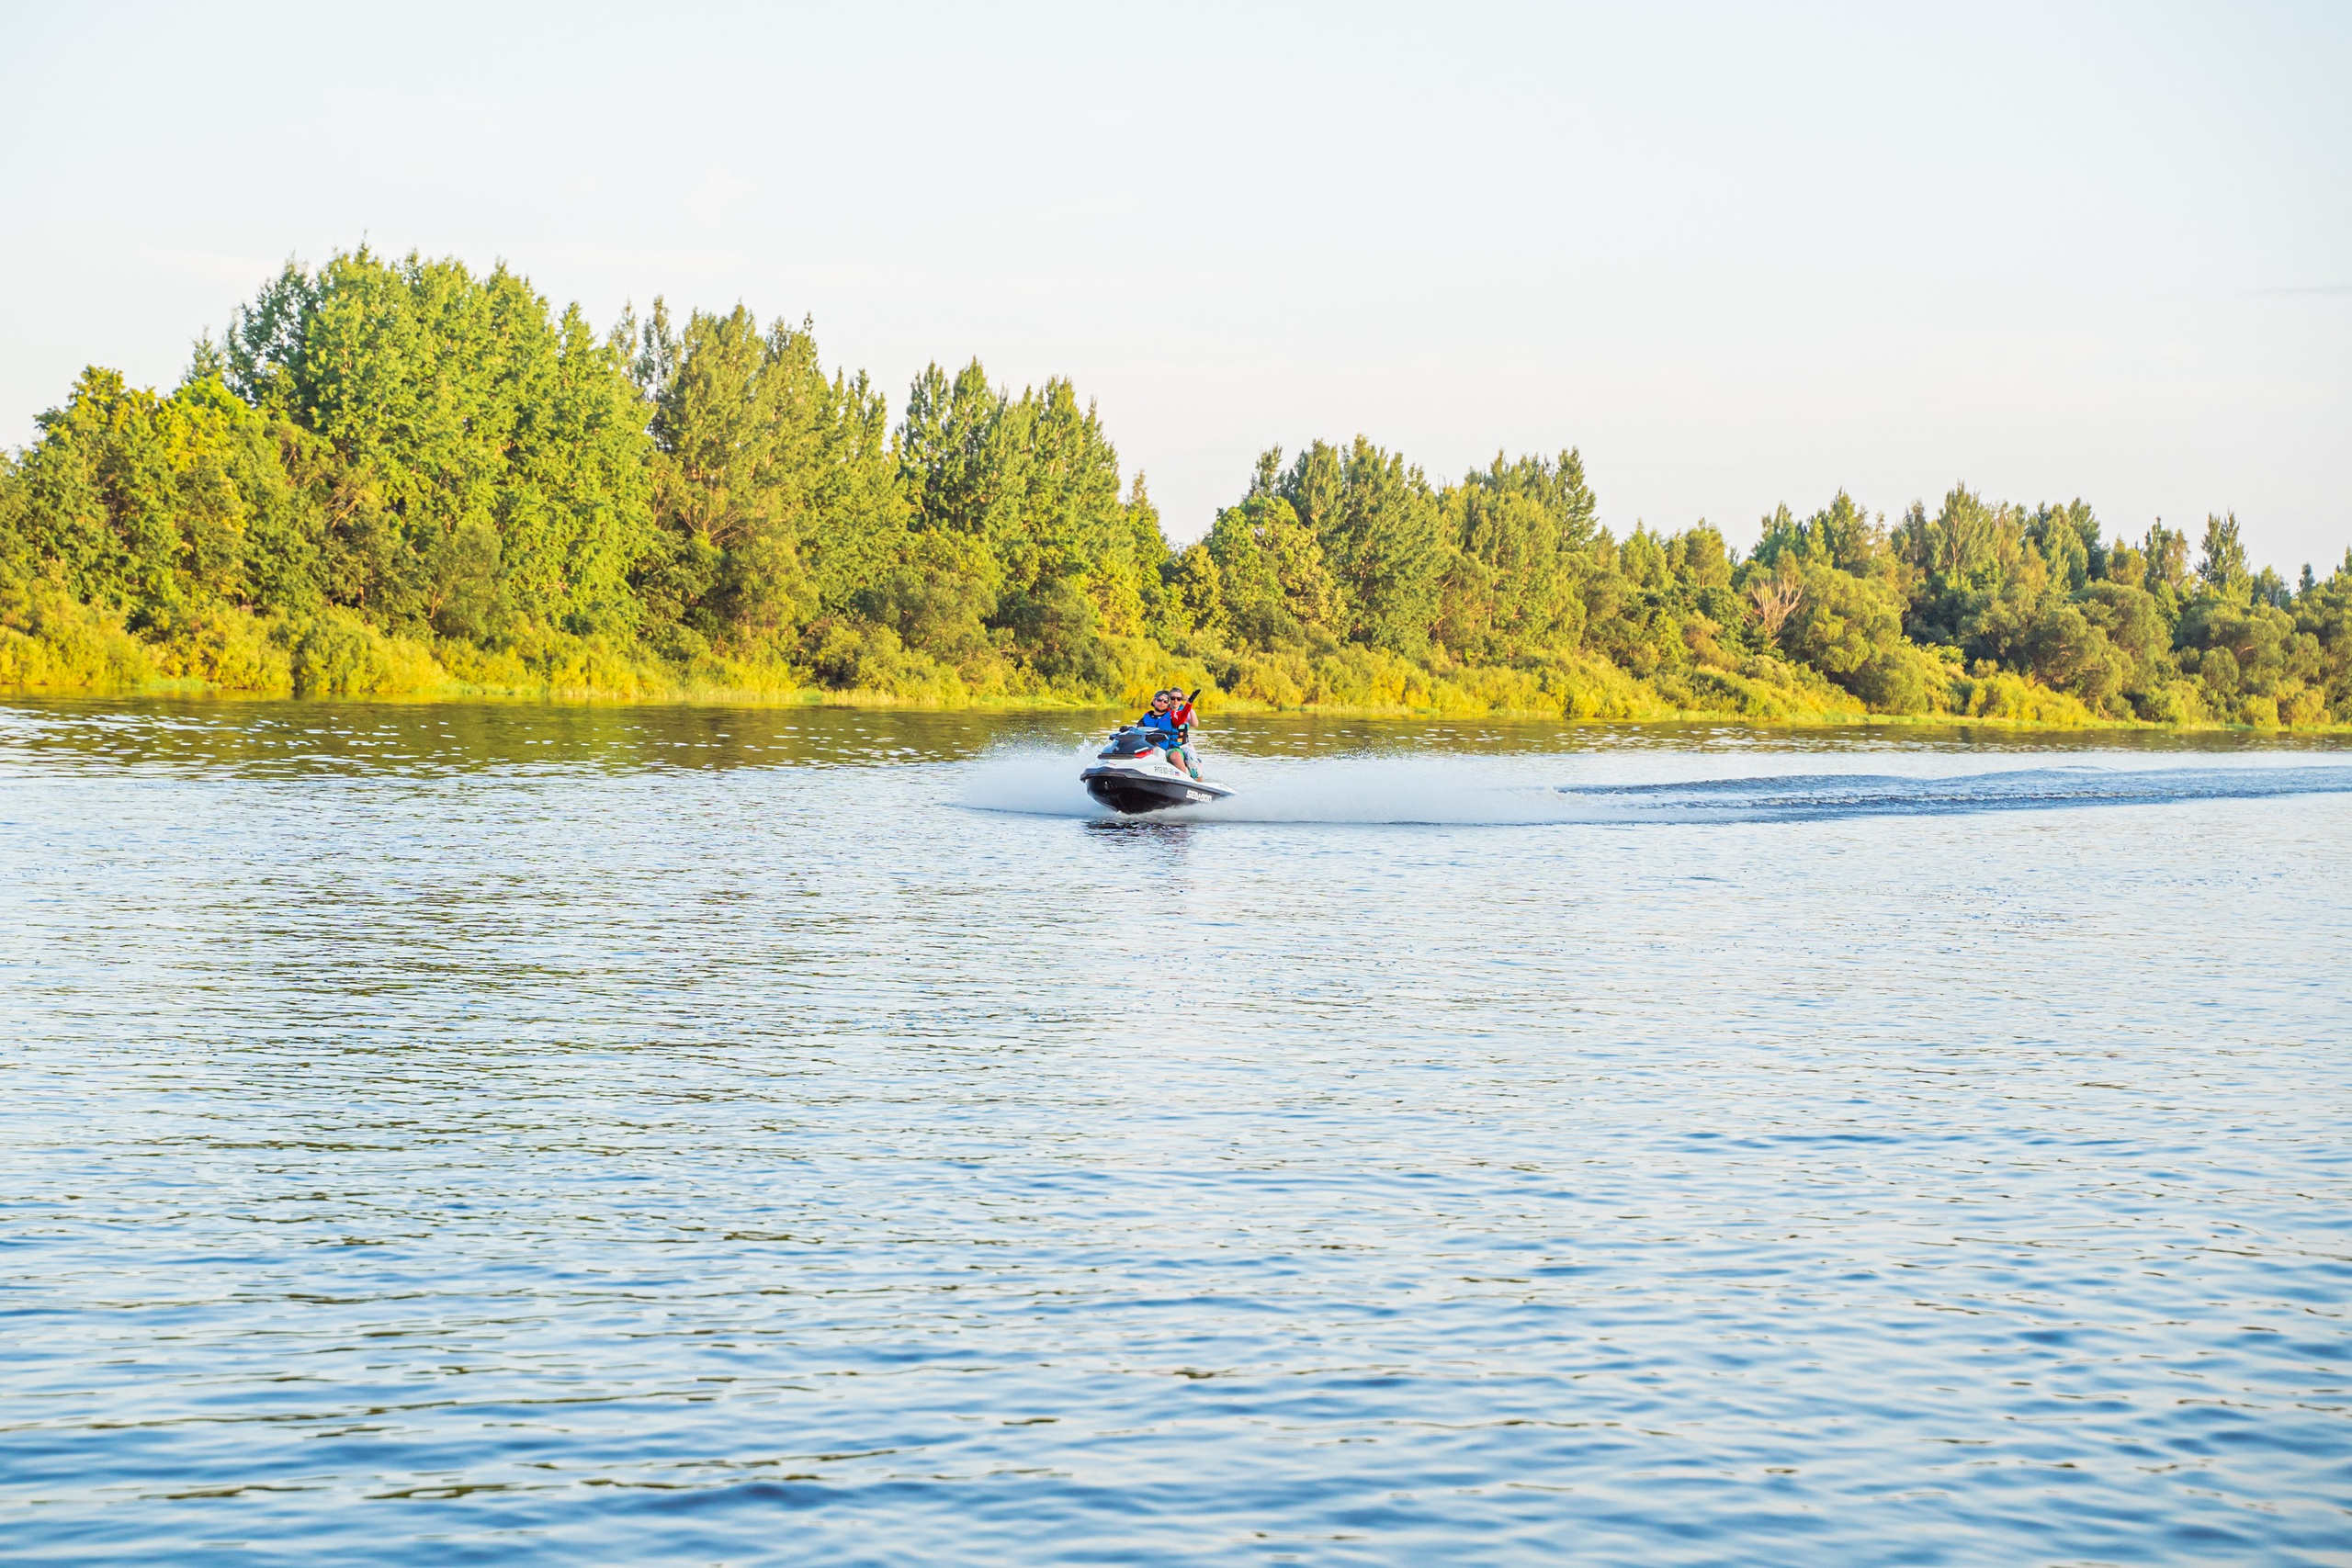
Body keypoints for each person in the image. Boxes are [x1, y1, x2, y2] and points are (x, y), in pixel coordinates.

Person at [1133, 688, 1200, 780]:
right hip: (1151, 747)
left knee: (1179, 757)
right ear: (1154, 701)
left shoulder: (1173, 715)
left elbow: (1186, 718)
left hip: (1177, 746)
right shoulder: (1147, 717)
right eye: (1159, 700)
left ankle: (1188, 782)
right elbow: (1134, 730)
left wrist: (1189, 703)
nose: (1162, 703)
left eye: (1165, 701)